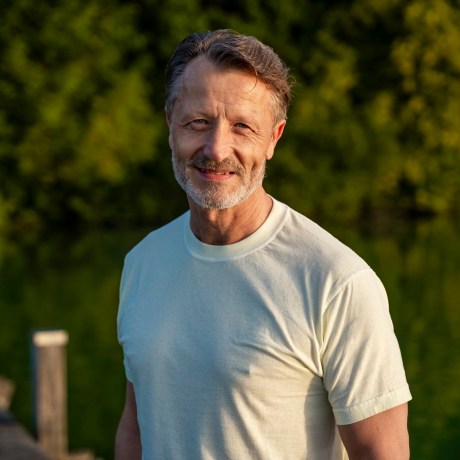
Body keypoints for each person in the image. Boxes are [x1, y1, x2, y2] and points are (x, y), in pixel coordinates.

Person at [115, 29, 411, 460]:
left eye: (242, 127)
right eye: (198, 122)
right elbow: (136, 427)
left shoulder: (337, 282)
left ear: (274, 138)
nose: (217, 149)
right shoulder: (142, 263)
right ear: (170, 123)